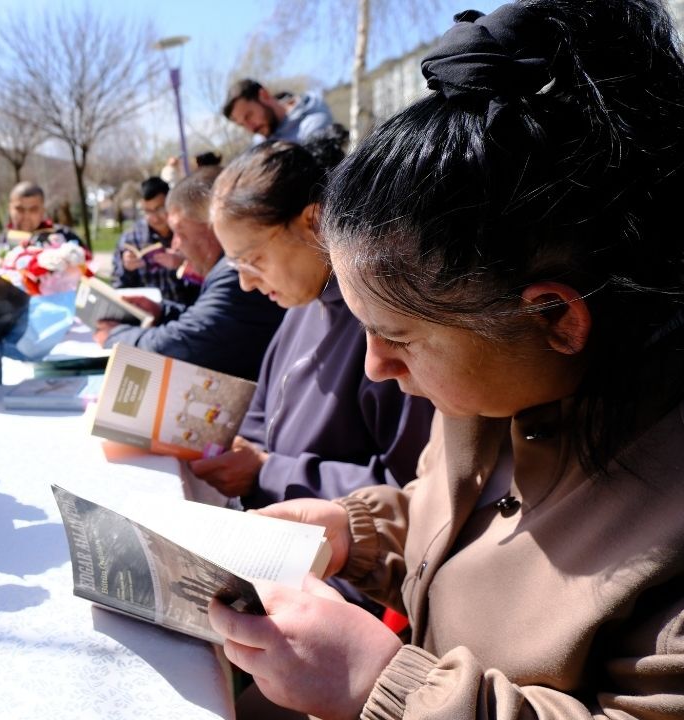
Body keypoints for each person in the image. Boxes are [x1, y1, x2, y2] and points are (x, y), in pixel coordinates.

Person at [206, 2, 684, 718]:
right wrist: (355, 534)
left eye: (398, 336)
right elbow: (460, 524)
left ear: (554, 317)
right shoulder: (492, 374)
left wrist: (383, 686)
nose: (374, 366)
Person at [194, 135, 434, 512]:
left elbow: (412, 485)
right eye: (235, 265)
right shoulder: (301, 305)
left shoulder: (387, 325)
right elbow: (261, 412)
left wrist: (268, 473)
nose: (245, 283)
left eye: (253, 260)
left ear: (314, 221)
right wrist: (240, 449)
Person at [94, 168, 285, 381]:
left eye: (180, 232)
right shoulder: (226, 270)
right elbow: (207, 323)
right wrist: (161, 312)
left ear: (214, 226)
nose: (175, 244)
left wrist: (115, 337)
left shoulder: (234, 274)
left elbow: (181, 344)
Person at [111, 176, 195, 305]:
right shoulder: (130, 238)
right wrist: (127, 269)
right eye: (147, 211)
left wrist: (183, 264)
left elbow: (207, 279)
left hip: (188, 309)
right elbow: (117, 287)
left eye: (160, 209)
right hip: (147, 311)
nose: (155, 218)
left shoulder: (188, 231)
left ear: (171, 205)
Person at [0, 181, 85, 270]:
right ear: (10, 209)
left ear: (43, 210)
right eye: (20, 209)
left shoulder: (65, 237)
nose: (26, 216)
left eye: (33, 209)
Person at [223, 78, 334, 144]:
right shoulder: (259, 141)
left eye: (249, 116)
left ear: (264, 95)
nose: (251, 128)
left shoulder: (313, 125)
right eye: (242, 124)